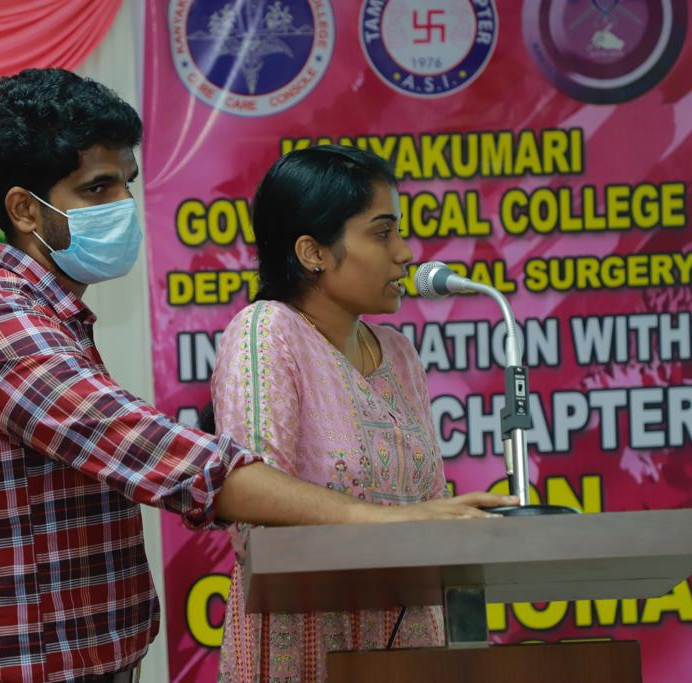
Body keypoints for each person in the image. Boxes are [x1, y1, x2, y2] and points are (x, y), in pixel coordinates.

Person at [0, 69, 513, 683]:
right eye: (97, 188)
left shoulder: (50, 321)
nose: (122, 206)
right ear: (24, 210)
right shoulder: (4, 327)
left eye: (126, 183)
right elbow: (159, 455)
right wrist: (387, 519)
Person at [212, 145, 496, 682]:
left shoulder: (399, 353)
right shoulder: (268, 330)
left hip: (411, 649)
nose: (405, 253)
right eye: (382, 233)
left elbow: (429, 510)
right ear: (313, 252)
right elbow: (251, 515)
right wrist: (393, 521)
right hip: (306, 647)